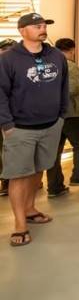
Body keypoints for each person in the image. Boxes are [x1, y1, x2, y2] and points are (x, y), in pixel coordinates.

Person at [0, 13, 67, 246]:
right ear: (22, 30)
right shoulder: (8, 59)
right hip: (20, 128)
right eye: (36, 26)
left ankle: (29, 209)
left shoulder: (56, 56)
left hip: (51, 125)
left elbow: (64, 86)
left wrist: (61, 116)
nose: (42, 29)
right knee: (19, 175)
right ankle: (20, 224)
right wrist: (7, 124)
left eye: (43, 25)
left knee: (39, 169)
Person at [47, 38, 79, 194]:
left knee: (54, 152)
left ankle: (54, 187)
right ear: (72, 49)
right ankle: (77, 177)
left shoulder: (48, 66)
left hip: (51, 115)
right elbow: (72, 89)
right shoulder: (70, 65)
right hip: (70, 114)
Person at [0, 38, 15, 197]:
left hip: (13, 117)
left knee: (11, 150)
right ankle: (5, 181)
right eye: (4, 49)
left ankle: (9, 182)